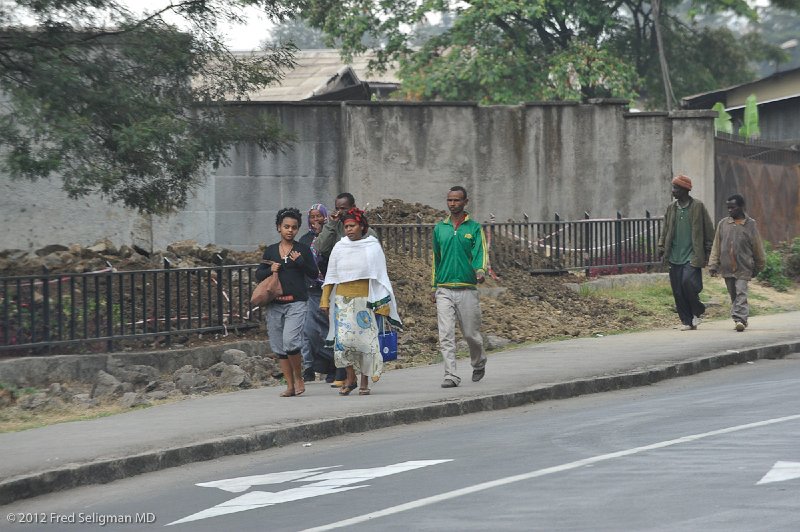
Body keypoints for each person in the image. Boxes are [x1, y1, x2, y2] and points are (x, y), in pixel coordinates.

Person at [321, 208, 401, 396]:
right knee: (343, 343)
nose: (348, 229)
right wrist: (325, 300)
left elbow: (380, 276)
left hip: (365, 301)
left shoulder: (372, 246)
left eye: (352, 226)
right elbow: (331, 276)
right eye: (346, 226)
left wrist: (382, 303)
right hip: (342, 302)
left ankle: (365, 381)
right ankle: (351, 377)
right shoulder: (339, 247)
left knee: (366, 344)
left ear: (362, 226)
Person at [255, 208, 319, 397]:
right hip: (275, 304)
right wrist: (269, 269)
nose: (290, 230)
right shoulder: (271, 250)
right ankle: (290, 385)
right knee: (279, 347)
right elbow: (259, 274)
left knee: (291, 342)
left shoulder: (303, 250)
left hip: (296, 303)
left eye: (294, 227)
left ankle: (299, 377)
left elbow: (314, 274)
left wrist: (300, 262)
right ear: (278, 228)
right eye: (286, 227)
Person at [431, 186, 488, 388]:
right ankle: (451, 375)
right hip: (444, 288)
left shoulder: (473, 228)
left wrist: (480, 270)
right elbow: (436, 259)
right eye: (449, 200)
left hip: (467, 288)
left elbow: (481, 252)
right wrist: (434, 286)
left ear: (465, 202)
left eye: (456, 200)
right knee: (445, 334)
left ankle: (478, 361)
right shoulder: (440, 228)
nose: (452, 204)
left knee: (471, 334)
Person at [657, 174, 715, 331]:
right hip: (674, 255)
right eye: (673, 187)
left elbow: (709, 230)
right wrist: (661, 247)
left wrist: (709, 251)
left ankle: (698, 309)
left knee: (687, 283)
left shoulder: (698, 206)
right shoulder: (672, 208)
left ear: (684, 190)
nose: (673, 191)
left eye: (675, 188)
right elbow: (665, 229)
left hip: (692, 255)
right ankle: (686, 321)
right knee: (677, 290)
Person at [708, 194, 766, 332]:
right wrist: (713, 264)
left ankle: (740, 319)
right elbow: (716, 245)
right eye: (728, 208)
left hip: (744, 266)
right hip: (727, 267)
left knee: (741, 292)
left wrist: (759, 265)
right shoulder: (723, 224)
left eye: (732, 207)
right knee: (733, 294)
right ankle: (740, 318)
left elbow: (757, 246)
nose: (730, 210)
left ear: (741, 207)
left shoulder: (750, 224)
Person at [298, 203, 337, 383]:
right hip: (312, 290)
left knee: (328, 328)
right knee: (310, 330)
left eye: (319, 216)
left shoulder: (332, 236)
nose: (316, 220)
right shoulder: (305, 240)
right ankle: (311, 365)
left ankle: (333, 365)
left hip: (330, 288)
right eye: (312, 217)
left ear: (325, 217)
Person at [313, 192, 379, 259]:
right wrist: (331, 224)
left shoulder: (366, 231)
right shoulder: (334, 227)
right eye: (337, 209)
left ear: (353, 207)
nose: (339, 212)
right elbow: (320, 248)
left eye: (343, 208)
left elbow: (375, 256)